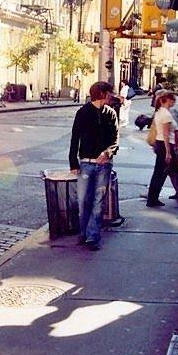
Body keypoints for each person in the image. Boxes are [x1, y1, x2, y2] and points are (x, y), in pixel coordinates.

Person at [69, 81, 119, 251]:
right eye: (109, 93)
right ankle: (83, 233)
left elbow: (115, 140)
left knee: (98, 202)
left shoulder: (111, 113)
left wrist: (108, 153)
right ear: (103, 94)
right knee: (83, 201)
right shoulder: (83, 112)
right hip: (85, 164)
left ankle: (93, 237)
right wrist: (73, 162)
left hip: (104, 165)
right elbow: (75, 138)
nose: (112, 95)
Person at [146, 91, 178, 208]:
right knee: (176, 173)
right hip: (166, 145)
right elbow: (165, 134)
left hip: (161, 145)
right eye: (173, 99)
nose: (174, 102)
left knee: (159, 173)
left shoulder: (160, 112)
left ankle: (152, 198)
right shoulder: (166, 114)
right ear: (167, 100)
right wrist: (169, 152)